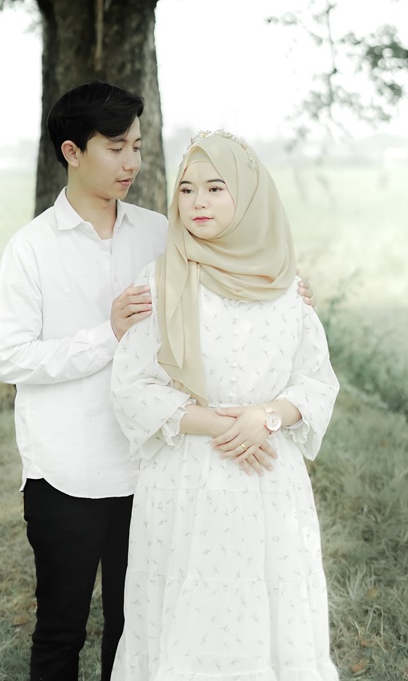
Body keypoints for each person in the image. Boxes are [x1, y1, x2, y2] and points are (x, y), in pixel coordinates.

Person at [0, 84, 315, 681]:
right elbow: (10, 359)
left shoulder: (158, 233)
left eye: (137, 147)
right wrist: (107, 334)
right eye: (116, 148)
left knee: (138, 622)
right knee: (61, 626)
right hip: (70, 469)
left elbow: (226, 275)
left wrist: (283, 292)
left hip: (155, 471)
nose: (132, 163)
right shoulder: (30, 249)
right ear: (72, 152)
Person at [111, 130, 340, 681]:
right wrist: (224, 425)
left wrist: (267, 418)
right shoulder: (160, 281)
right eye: (187, 190)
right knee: (189, 621)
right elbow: (133, 387)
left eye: (216, 188)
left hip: (268, 480)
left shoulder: (287, 288)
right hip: (186, 478)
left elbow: (316, 382)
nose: (198, 203)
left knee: (266, 615)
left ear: (249, 195)